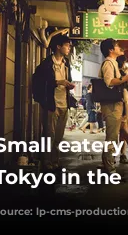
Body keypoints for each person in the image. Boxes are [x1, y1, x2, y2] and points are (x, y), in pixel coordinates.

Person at [34, 34, 75, 171]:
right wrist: (59, 82)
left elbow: (67, 79)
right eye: (67, 45)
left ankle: (55, 161)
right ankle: (47, 163)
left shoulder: (66, 63)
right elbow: (40, 82)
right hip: (51, 104)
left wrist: (68, 84)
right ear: (58, 46)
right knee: (48, 135)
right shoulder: (47, 64)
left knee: (58, 137)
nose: (69, 48)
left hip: (64, 103)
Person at [98, 38, 128, 174]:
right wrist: (127, 77)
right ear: (110, 50)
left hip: (115, 104)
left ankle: (107, 163)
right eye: (116, 46)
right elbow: (109, 82)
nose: (118, 48)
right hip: (112, 105)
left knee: (114, 135)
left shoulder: (113, 62)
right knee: (112, 136)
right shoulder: (108, 63)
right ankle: (110, 167)